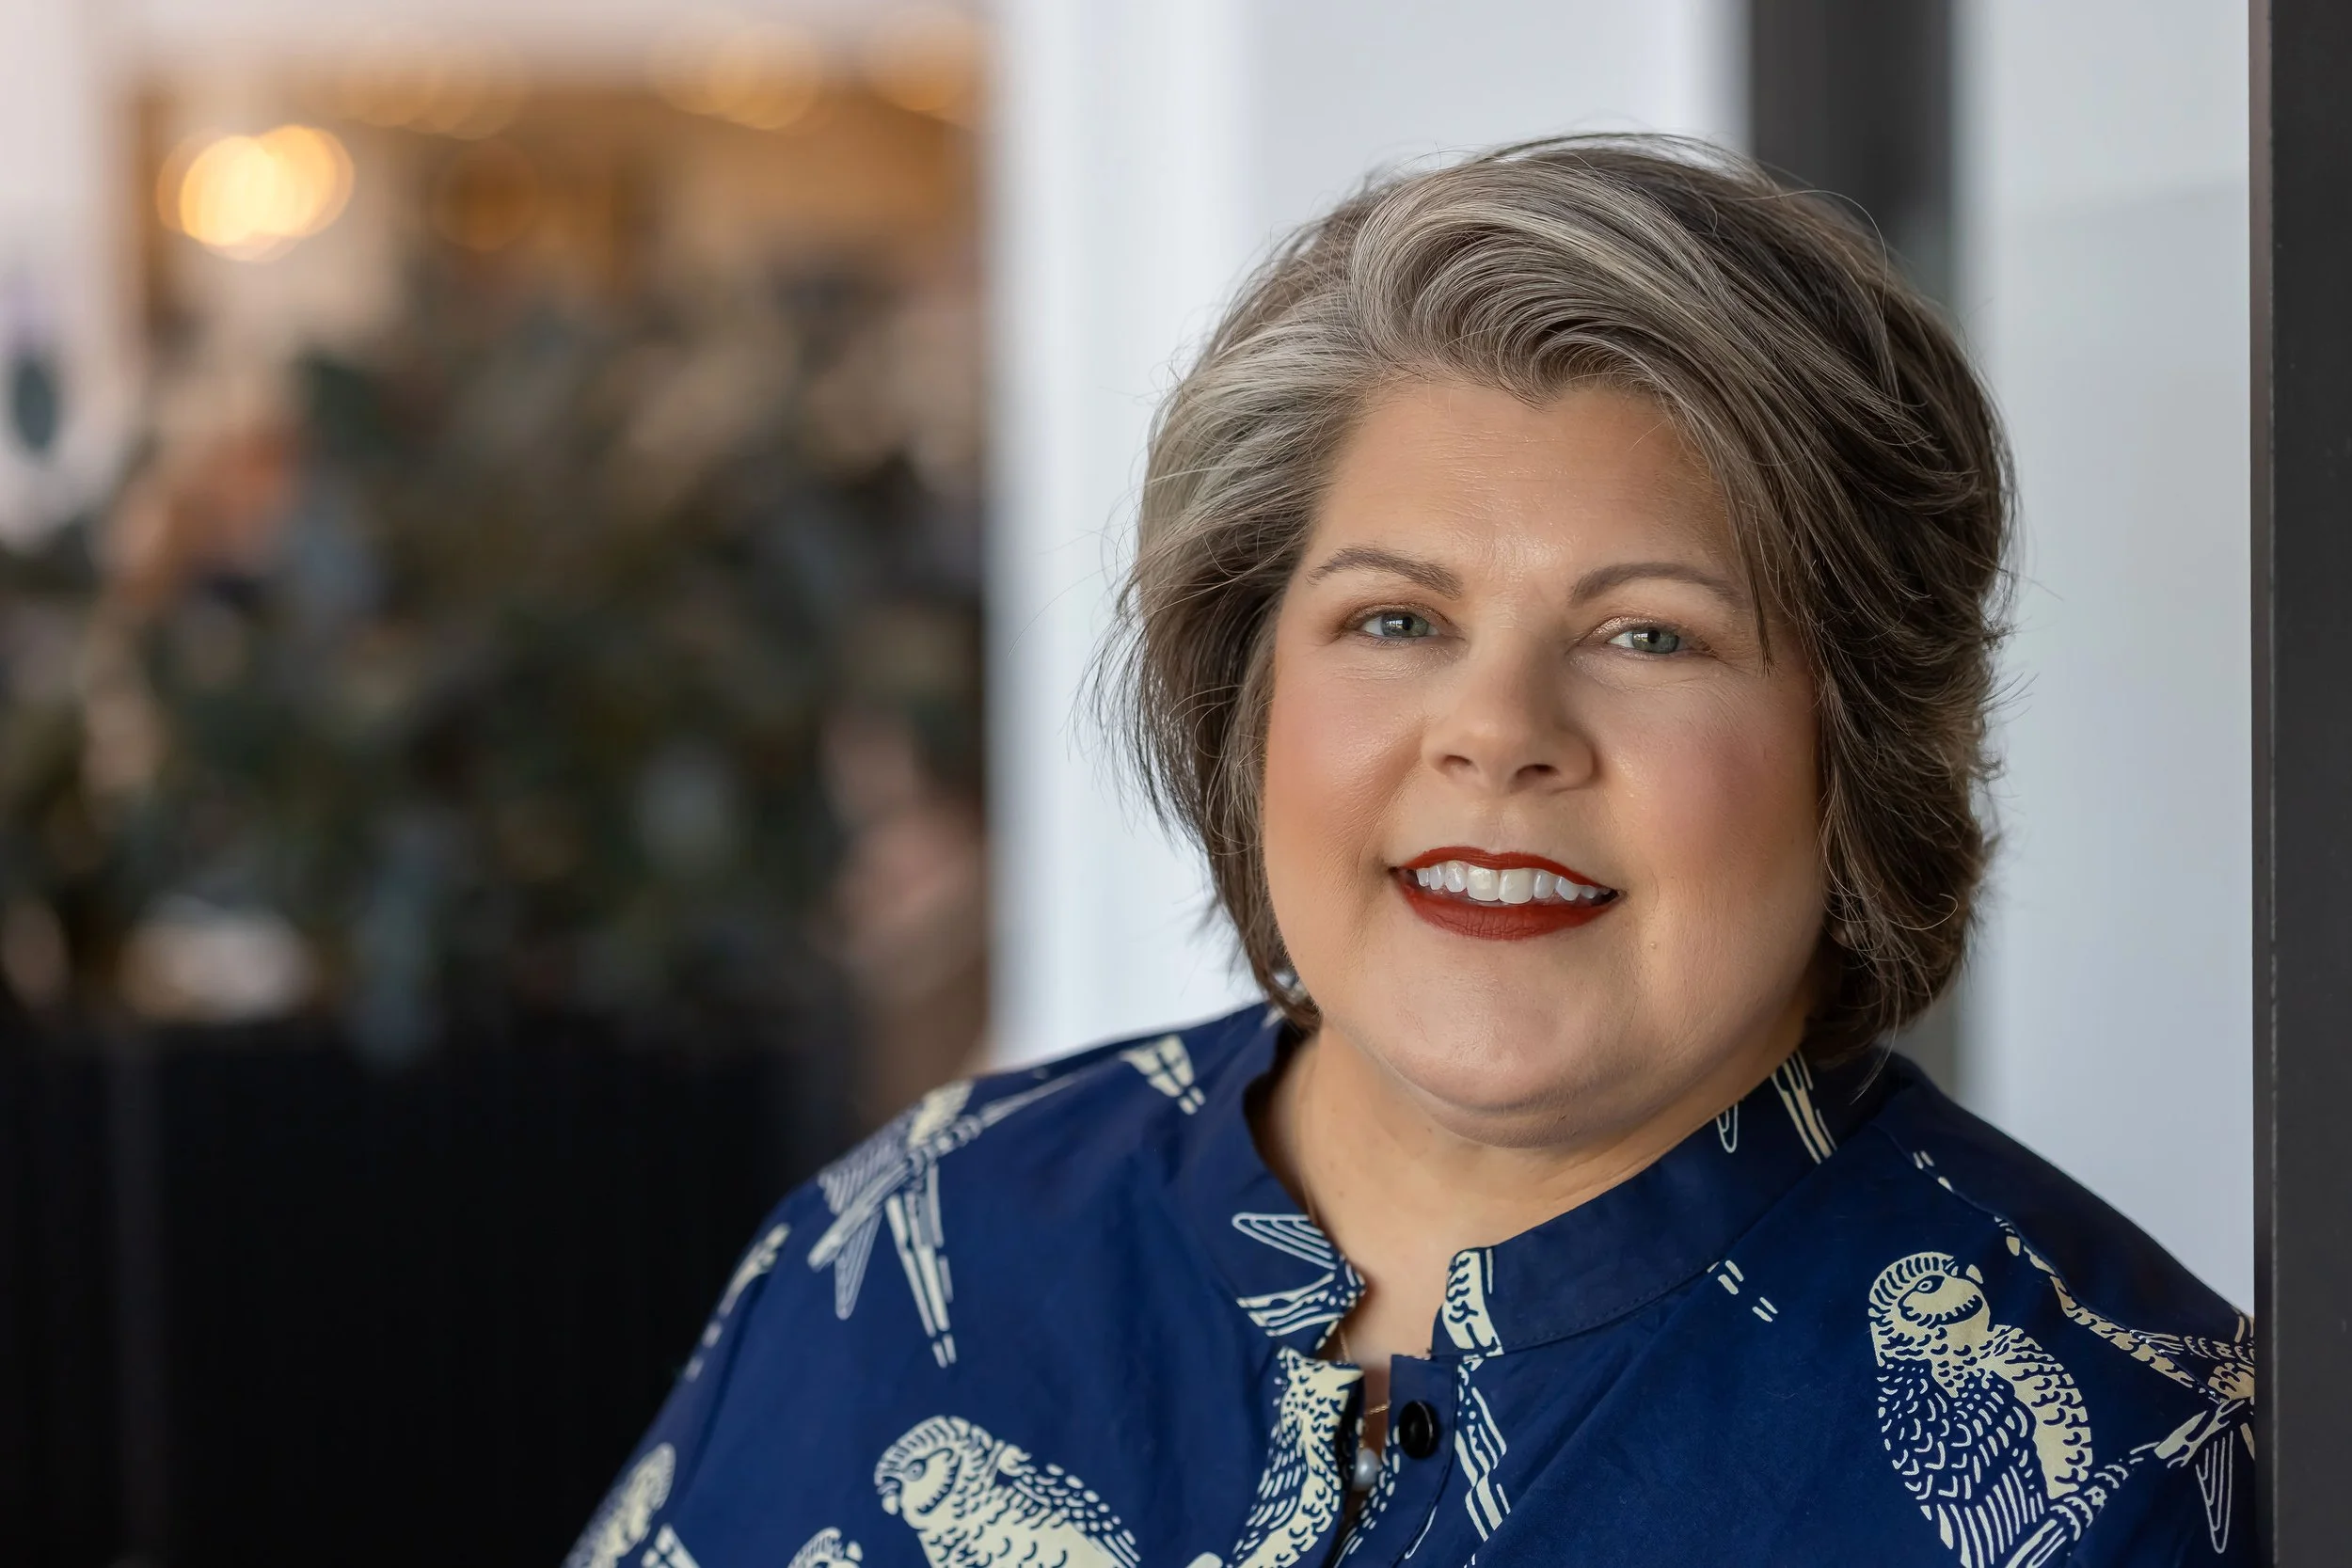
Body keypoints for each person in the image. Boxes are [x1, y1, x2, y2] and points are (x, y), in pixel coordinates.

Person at [568, 137, 2252, 1568]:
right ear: (1250, 701)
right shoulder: (917, 1235)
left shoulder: (2141, 1461)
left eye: (1652, 636)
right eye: (1395, 617)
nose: (1496, 727)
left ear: (1858, 748)